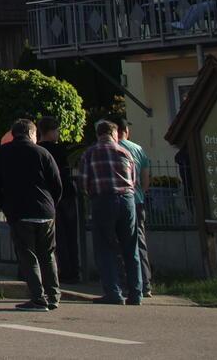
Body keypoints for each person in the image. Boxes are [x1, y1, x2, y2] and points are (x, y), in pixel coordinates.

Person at [0, 117, 63, 311]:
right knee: (48, 255)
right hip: (45, 210)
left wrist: (4, 205)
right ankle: (53, 295)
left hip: (19, 211)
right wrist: (52, 204)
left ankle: (38, 297)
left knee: (28, 255)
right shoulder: (43, 153)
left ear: (14, 134)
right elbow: (56, 184)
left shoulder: (2, 153)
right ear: (32, 133)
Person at [79, 118, 140, 306]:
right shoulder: (125, 152)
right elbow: (134, 179)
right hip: (127, 200)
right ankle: (136, 293)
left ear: (99, 135)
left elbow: (83, 182)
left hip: (102, 200)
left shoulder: (89, 153)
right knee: (130, 247)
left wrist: (90, 194)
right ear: (115, 134)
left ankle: (113, 291)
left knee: (105, 247)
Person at [37, 116, 80, 282]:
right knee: (69, 236)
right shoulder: (60, 151)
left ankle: (62, 270)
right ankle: (72, 271)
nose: (58, 134)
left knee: (57, 237)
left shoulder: (38, 150)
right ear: (51, 131)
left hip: (49, 196)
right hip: (65, 195)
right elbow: (65, 173)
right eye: (56, 131)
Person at [114, 116, 152, 300]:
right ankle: (145, 284)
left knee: (120, 245)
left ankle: (125, 284)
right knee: (139, 243)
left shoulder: (112, 149)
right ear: (126, 131)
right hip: (137, 201)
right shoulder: (138, 150)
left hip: (117, 200)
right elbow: (145, 182)